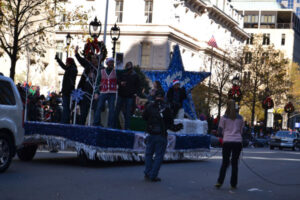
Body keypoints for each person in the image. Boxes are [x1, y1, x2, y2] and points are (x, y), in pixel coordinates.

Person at [142, 90, 183, 182]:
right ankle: (153, 175)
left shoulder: (150, 106)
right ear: (163, 98)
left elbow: (143, 117)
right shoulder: (166, 108)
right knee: (159, 156)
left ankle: (147, 172)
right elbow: (170, 124)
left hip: (151, 133)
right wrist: (178, 127)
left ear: (155, 97)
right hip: (161, 135)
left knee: (148, 154)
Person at [215, 99, 244, 189]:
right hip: (237, 141)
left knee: (225, 162)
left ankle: (220, 181)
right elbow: (242, 131)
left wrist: (224, 134)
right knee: (235, 163)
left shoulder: (224, 118)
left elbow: (219, 131)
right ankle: (233, 184)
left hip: (227, 141)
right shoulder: (240, 118)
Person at [75, 46, 103, 125]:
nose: (93, 60)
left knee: (96, 113)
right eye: (92, 58)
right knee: (83, 113)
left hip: (95, 94)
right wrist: (76, 54)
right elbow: (82, 61)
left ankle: (96, 127)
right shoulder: (89, 66)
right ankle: (81, 127)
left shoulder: (101, 69)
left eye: (95, 59)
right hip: (86, 93)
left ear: (98, 60)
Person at [115, 61, 140, 130]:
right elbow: (117, 80)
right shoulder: (122, 73)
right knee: (117, 111)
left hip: (130, 96)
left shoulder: (135, 75)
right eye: (128, 67)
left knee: (128, 112)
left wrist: (136, 94)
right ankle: (115, 125)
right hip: (121, 94)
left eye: (130, 67)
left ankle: (127, 127)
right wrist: (120, 83)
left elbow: (138, 86)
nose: (129, 69)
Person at [93, 57, 118, 128]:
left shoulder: (116, 72)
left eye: (112, 62)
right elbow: (97, 82)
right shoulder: (101, 71)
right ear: (107, 63)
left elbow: (119, 79)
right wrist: (96, 92)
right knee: (99, 107)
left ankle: (110, 125)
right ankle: (96, 123)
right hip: (103, 92)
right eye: (110, 62)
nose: (111, 64)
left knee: (112, 109)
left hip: (112, 92)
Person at [55, 55, 77, 124]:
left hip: (67, 91)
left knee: (66, 107)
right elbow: (64, 66)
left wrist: (58, 60)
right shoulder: (71, 69)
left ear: (69, 63)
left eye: (67, 62)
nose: (66, 64)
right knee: (66, 106)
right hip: (67, 90)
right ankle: (65, 120)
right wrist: (58, 60)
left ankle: (65, 120)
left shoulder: (71, 69)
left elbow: (64, 67)